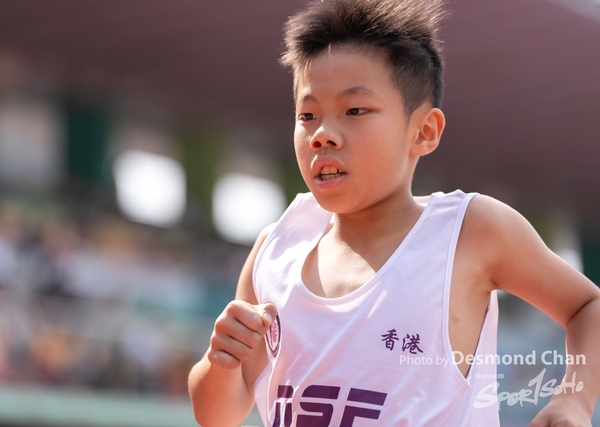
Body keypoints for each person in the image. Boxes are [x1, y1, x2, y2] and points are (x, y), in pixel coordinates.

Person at [187, 0, 600, 425]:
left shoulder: (469, 231)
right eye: (307, 115)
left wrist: (574, 399)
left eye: (354, 110)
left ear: (424, 131)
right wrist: (221, 362)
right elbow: (217, 416)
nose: (322, 135)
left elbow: (588, 306)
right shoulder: (276, 250)